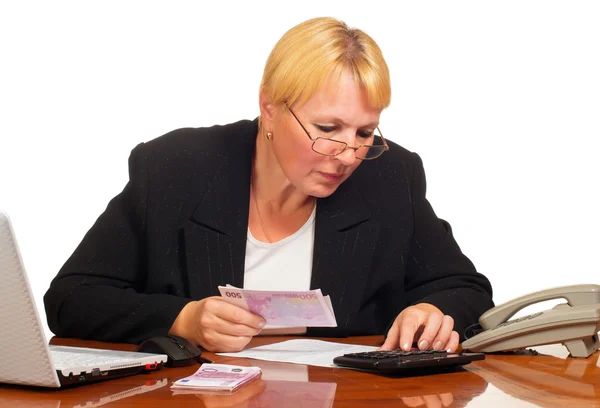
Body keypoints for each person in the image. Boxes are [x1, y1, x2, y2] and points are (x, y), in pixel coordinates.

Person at [44, 17, 494, 353]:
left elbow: (468, 289)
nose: (349, 153)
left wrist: (433, 312)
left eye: (364, 133)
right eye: (327, 127)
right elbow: (70, 299)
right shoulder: (173, 170)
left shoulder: (390, 177)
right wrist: (183, 318)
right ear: (270, 108)